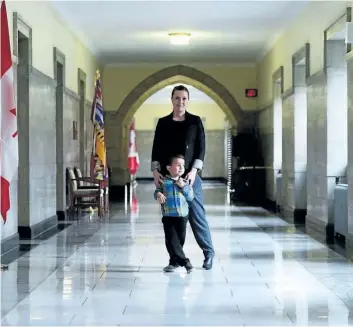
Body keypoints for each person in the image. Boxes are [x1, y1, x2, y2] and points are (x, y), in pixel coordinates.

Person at [151, 84, 215, 270]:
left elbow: (201, 149)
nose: (180, 101)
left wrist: (194, 171)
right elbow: (156, 149)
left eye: (184, 98)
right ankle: (175, 259)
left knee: (197, 216)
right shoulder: (163, 123)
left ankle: (208, 253)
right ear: (172, 100)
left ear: (188, 100)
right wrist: (156, 171)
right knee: (171, 220)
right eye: (177, 98)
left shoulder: (195, 121)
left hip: (189, 179)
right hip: (167, 179)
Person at [154, 154, 194, 273]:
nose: (181, 167)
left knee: (179, 241)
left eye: (183, 165)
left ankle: (174, 262)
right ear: (169, 168)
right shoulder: (164, 182)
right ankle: (185, 262)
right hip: (168, 216)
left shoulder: (185, 182)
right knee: (171, 240)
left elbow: (191, 197)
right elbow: (156, 192)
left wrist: (183, 188)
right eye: (178, 165)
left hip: (182, 216)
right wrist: (158, 195)